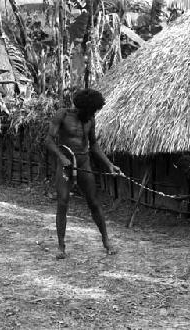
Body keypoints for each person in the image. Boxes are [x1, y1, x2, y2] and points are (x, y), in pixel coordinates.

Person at [45, 88, 121, 259]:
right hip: (65, 163)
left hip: (83, 161)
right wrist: (61, 157)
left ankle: (106, 241)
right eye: (92, 110)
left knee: (94, 202)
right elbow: (49, 140)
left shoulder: (90, 119)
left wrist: (109, 164)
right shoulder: (62, 115)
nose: (93, 113)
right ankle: (61, 247)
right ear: (82, 108)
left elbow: (93, 145)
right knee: (63, 202)